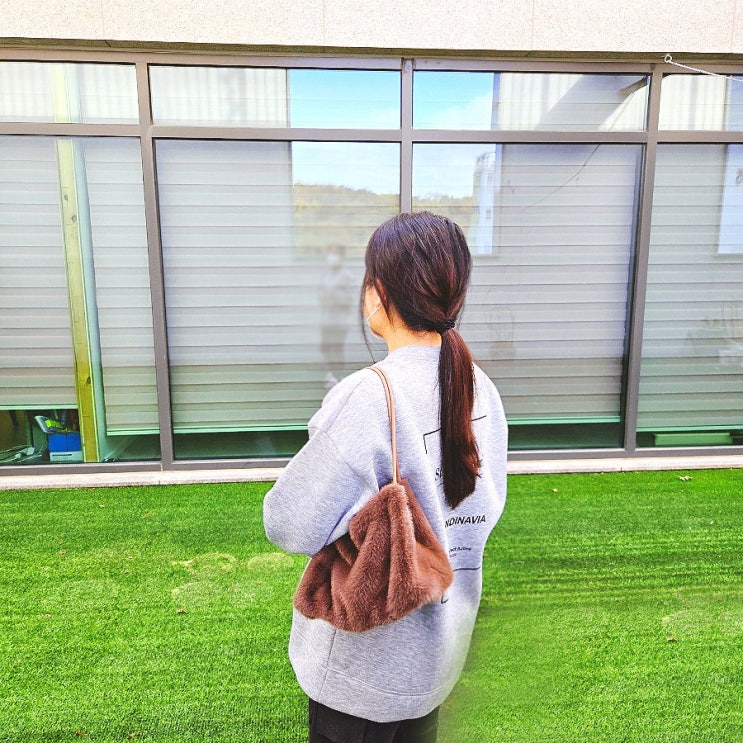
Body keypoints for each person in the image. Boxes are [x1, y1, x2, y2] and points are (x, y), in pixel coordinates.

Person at [263, 211, 508, 742]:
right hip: (438, 659)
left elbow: (288, 523)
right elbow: (483, 509)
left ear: (379, 292)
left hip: (363, 669)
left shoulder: (368, 396)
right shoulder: (479, 387)